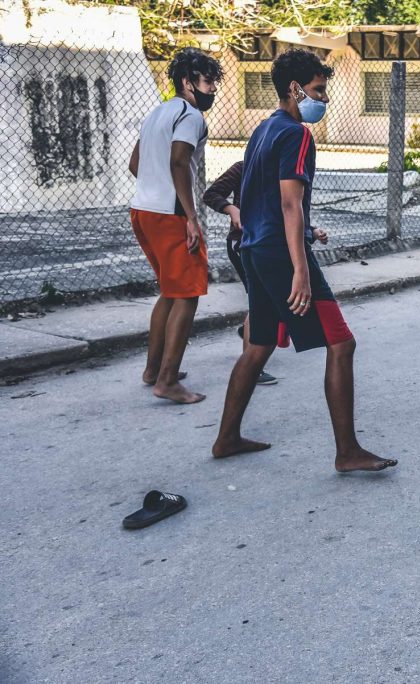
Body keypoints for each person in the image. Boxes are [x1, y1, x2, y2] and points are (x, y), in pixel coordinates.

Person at [211, 49, 397, 473]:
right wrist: (300, 270)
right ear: (294, 89)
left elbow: (258, 197)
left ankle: (226, 438)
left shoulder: (263, 129)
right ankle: (347, 452)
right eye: (317, 90)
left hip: (254, 249)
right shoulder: (296, 134)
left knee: (258, 345)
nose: (323, 98)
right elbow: (290, 204)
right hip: (279, 253)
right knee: (341, 343)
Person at [128, 47, 222, 404]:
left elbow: (136, 163)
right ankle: (166, 381)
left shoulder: (158, 111)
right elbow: (179, 162)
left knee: (170, 290)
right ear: (187, 82)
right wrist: (192, 217)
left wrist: (156, 188)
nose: (212, 88)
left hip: (143, 211)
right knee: (187, 295)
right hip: (170, 216)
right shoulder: (191, 115)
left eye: (214, 82)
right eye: (207, 81)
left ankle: (154, 369)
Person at [202, 161, 330, 386]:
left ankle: (251, 337)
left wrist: (311, 231)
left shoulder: (284, 170)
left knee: (264, 303)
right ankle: (252, 363)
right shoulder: (244, 167)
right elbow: (212, 194)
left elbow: (284, 212)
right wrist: (231, 209)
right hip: (243, 243)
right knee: (259, 303)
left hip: (269, 245)